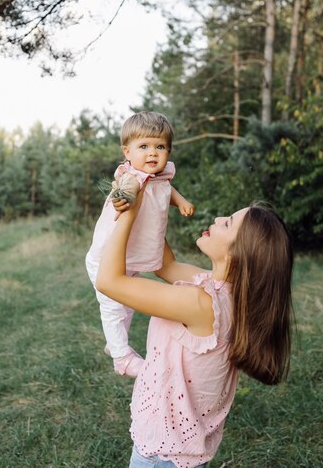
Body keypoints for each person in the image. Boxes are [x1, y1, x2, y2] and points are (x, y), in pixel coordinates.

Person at [96, 189, 294, 468]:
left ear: (239, 252)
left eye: (227, 223)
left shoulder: (203, 304)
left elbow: (109, 281)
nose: (217, 218)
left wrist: (128, 212)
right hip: (179, 451)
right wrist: (150, 198)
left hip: (161, 455)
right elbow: (165, 265)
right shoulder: (227, 294)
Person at [85, 111, 194, 378]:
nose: (152, 153)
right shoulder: (130, 175)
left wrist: (180, 201)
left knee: (126, 305)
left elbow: (167, 189)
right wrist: (127, 197)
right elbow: (130, 187)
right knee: (111, 305)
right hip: (106, 258)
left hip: (129, 259)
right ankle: (121, 357)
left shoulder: (162, 176)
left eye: (160, 147)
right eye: (143, 146)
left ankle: (114, 343)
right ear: (127, 152)